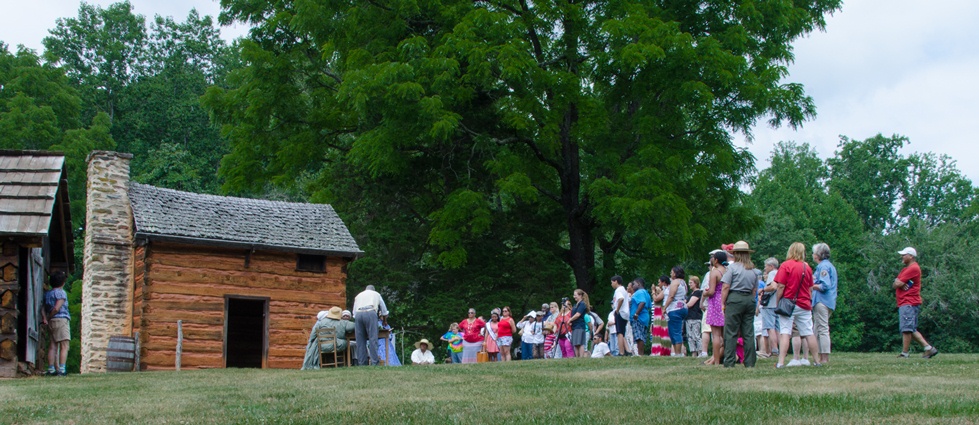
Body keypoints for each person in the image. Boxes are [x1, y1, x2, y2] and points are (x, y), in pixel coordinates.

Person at [773, 243, 820, 368]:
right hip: (804, 304)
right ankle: (817, 360)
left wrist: (778, 301)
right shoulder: (807, 267)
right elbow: (810, 287)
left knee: (785, 332)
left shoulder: (785, 265)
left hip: (788, 303)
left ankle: (781, 362)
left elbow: (781, 286)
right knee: (809, 332)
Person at [894, 247, 938, 359]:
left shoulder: (913, 268)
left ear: (911, 256)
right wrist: (898, 282)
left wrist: (899, 282)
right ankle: (928, 349)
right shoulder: (906, 269)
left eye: (904, 255)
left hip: (909, 302)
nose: (902, 257)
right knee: (910, 328)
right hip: (905, 302)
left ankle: (905, 353)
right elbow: (895, 284)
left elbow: (898, 284)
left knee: (907, 329)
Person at [720, 241, 758, 368]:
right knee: (748, 332)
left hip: (735, 298)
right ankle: (750, 362)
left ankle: (729, 361)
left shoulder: (732, 268)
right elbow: (754, 289)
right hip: (749, 299)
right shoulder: (753, 269)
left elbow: (725, 286)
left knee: (731, 332)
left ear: (735, 253)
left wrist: (722, 303)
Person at [811, 243, 838, 364]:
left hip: (822, 300)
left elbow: (825, 285)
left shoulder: (823, 267)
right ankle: (819, 357)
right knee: (817, 329)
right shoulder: (828, 266)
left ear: (818, 255)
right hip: (826, 301)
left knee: (822, 329)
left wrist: (811, 286)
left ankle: (824, 358)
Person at [42, 271, 70, 376]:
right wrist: (51, 315)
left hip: (51, 322)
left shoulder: (47, 294)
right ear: (63, 282)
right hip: (61, 319)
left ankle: (51, 369)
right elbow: (57, 308)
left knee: (53, 345)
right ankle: (62, 369)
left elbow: (43, 308)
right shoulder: (61, 293)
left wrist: (46, 318)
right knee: (64, 345)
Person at [352, 285, 389, 366]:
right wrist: (384, 320)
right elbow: (384, 309)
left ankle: (362, 363)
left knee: (360, 340)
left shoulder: (358, 295)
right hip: (370, 312)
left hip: (358, 314)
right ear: (373, 289)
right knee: (373, 339)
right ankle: (374, 362)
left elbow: (354, 313)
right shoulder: (376, 294)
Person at [703, 251, 727, 366]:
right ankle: (724, 357)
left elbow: (712, 291)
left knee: (716, 335)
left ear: (716, 260)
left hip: (715, 302)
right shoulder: (727, 271)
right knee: (724, 335)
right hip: (724, 301)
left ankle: (716, 361)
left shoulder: (714, 272)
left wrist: (705, 293)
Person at [664, 266, 689, 357]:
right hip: (682, 307)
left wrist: (664, 308)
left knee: (675, 331)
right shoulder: (683, 283)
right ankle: (676, 352)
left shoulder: (675, 282)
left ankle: (678, 353)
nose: (670, 274)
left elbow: (671, 296)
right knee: (674, 330)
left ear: (675, 273)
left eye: (671, 272)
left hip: (675, 308)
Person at [759, 258, 780, 357]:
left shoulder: (772, 274)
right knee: (777, 328)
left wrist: (762, 290)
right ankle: (780, 348)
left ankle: (774, 349)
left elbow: (773, 287)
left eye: (766, 266)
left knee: (770, 328)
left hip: (770, 304)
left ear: (771, 266)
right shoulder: (781, 272)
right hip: (778, 304)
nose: (765, 268)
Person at [629, 279, 652, 356]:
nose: (633, 285)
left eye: (634, 284)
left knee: (639, 337)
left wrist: (636, 314)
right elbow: (648, 305)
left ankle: (640, 354)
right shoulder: (646, 293)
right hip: (645, 317)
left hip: (638, 318)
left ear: (638, 284)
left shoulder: (639, 292)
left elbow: (642, 302)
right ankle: (641, 354)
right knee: (642, 336)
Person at [685, 276, 705, 357]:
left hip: (695, 317)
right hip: (689, 317)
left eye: (691, 283)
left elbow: (690, 304)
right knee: (690, 336)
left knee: (696, 335)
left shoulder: (698, 293)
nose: (689, 284)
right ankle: (693, 353)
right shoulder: (691, 294)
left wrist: (683, 306)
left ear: (696, 283)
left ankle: (700, 352)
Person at [610, 275, 630, 356]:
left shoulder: (618, 290)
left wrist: (617, 309)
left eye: (612, 282)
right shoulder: (624, 290)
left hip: (620, 312)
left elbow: (621, 299)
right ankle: (628, 350)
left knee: (619, 332)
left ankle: (621, 352)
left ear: (616, 281)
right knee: (622, 332)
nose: (611, 284)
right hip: (625, 313)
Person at [650, 276, 669, 356]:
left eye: (659, 282)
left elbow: (656, 299)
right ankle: (658, 349)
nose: (658, 284)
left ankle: (661, 350)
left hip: (660, 311)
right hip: (657, 312)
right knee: (657, 331)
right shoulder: (664, 290)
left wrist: (653, 291)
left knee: (661, 331)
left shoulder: (665, 290)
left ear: (663, 282)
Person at [568, 289, 591, 357]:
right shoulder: (575, 305)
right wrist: (571, 322)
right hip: (574, 326)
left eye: (575, 295)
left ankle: (581, 357)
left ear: (580, 295)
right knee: (575, 343)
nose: (574, 296)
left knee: (580, 343)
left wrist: (570, 320)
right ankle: (577, 357)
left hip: (580, 326)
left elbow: (578, 314)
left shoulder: (582, 304)